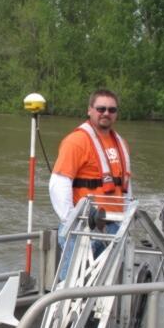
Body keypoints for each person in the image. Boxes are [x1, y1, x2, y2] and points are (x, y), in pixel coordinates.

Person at [49, 89, 132, 276]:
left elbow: (126, 187)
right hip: (84, 227)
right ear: (90, 110)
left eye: (112, 110)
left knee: (102, 287)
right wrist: (71, 220)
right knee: (70, 283)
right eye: (101, 108)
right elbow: (58, 183)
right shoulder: (76, 141)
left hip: (115, 226)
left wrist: (127, 219)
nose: (106, 113)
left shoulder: (121, 144)